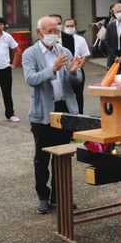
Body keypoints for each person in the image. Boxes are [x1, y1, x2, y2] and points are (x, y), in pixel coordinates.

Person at [23, 16, 83, 214]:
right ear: (39, 32)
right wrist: (53, 69)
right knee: (42, 157)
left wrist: (74, 72)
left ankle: (60, 195)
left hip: (64, 109)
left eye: (55, 31)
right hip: (42, 113)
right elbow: (31, 79)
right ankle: (43, 196)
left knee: (63, 155)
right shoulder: (30, 54)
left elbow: (75, 81)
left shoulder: (64, 51)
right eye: (49, 31)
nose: (53, 35)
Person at [62, 18, 91, 113]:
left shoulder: (80, 39)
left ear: (75, 27)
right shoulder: (60, 40)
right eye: (67, 26)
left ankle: (80, 115)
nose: (69, 28)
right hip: (64, 72)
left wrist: (77, 70)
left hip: (78, 70)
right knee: (66, 95)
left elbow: (84, 56)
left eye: (72, 26)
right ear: (63, 27)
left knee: (78, 95)